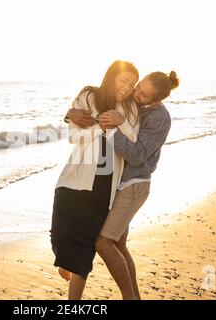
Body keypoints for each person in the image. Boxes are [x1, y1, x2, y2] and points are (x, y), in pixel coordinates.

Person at [67, 71, 179, 299]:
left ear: (156, 100)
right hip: (118, 183)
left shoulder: (160, 118)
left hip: (133, 185)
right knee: (118, 244)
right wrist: (70, 113)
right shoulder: (135, 103)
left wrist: (114, 127)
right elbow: (99, 106)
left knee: (104, 242)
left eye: (144, 95)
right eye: (138, 87)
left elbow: (137, 155)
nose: (136, 94)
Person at [50, 60, 140, 300]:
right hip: (74, 181)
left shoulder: (130, 109)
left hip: (104, 189)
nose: (128, 87)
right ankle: (65, 259)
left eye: (132, 84)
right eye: (124, 80)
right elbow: (73, 136)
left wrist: (120, 123)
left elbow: (133, 142)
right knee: (58, 236)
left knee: (84, 255)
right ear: (111, 77)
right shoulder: (89, 96)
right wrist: (101, 127)